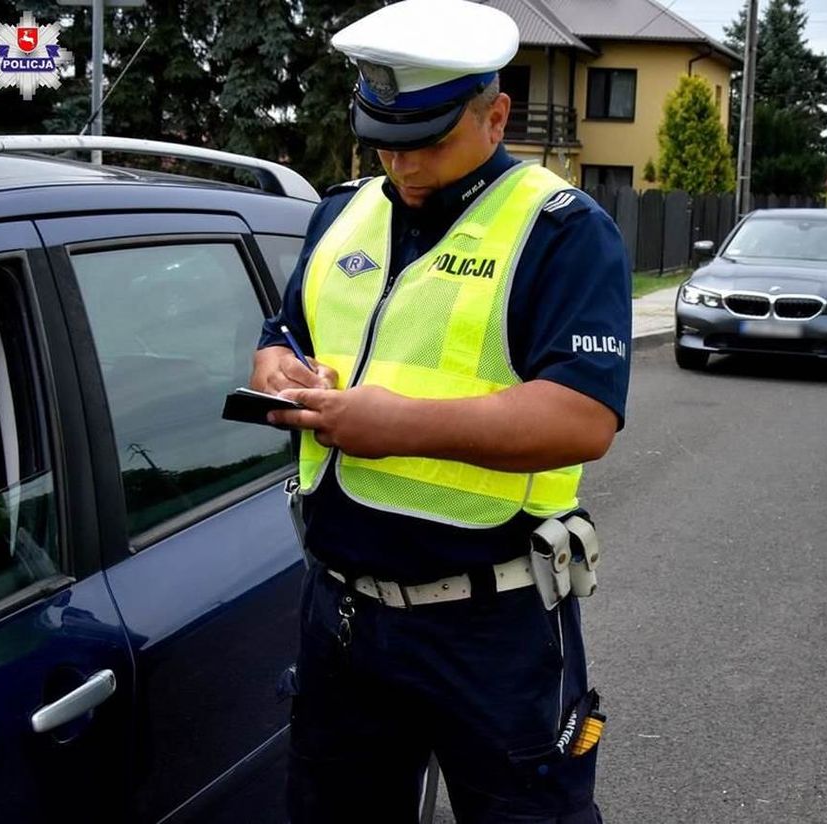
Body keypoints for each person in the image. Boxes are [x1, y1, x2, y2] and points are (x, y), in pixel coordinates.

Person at [249, 1, 631, 821]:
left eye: (426, 139)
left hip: (491, 628)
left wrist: (395, 426)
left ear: (496, 116)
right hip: (343, 617)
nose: (403, 161)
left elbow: (582, 419)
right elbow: (284, 332)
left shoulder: (561, 231)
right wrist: (278, 371)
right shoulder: (342, 209)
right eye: (382, 138)